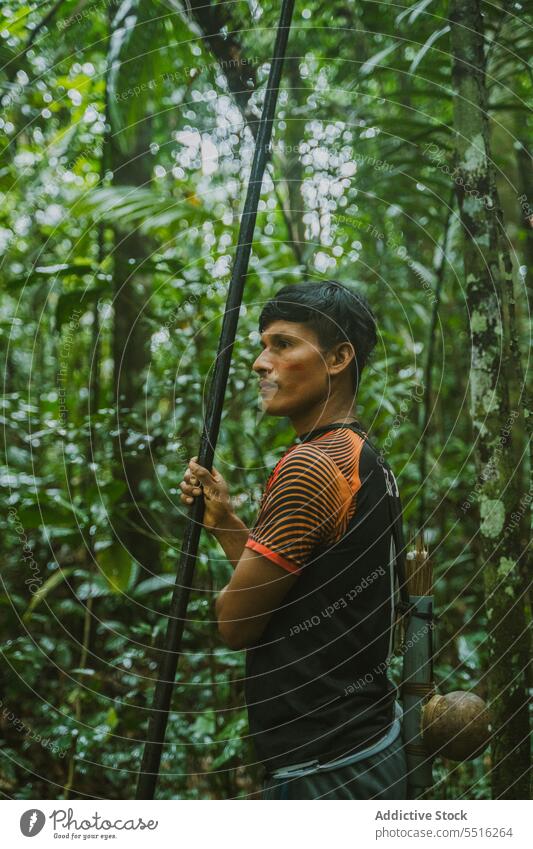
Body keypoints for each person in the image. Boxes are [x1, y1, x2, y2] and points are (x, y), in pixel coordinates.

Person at [179, 280, 407, 799]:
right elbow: (298, 595)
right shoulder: (359, 455)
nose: (261, 362)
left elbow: (236, 624)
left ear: (338, 358)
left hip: (327, 769)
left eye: (282, 344)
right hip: (362, 746)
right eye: (263, 345)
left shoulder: (312, 465)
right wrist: (224, 524)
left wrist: (225, 597)